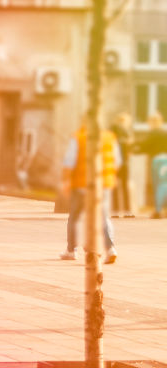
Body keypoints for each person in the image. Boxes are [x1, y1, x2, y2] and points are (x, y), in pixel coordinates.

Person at [60, 118, 119, 263]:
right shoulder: (109, 138)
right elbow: (117, 161)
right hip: (103, 184)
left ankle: (71, 250)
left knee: (75, 216)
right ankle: (110, 248)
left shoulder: (79, 137)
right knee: (103, 215)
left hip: (81, 184)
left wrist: (66, 180)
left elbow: (69, 161)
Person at [137, 113, 167, 215]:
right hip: (165, 159)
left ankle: (158, 210)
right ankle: (165, 209)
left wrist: (134, 149)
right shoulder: (164, 133)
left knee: (158, 185)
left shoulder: (153, 133)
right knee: (165, 184)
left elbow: (145, 146)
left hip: (157, 160)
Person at [110, 112, 134, 217]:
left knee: (116, 187)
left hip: (115, 162)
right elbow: (128, 148)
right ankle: (126, 211)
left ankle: (116, 210)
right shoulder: (123, 133)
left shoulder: (113, 131)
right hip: (122, 162)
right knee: (124, 186)